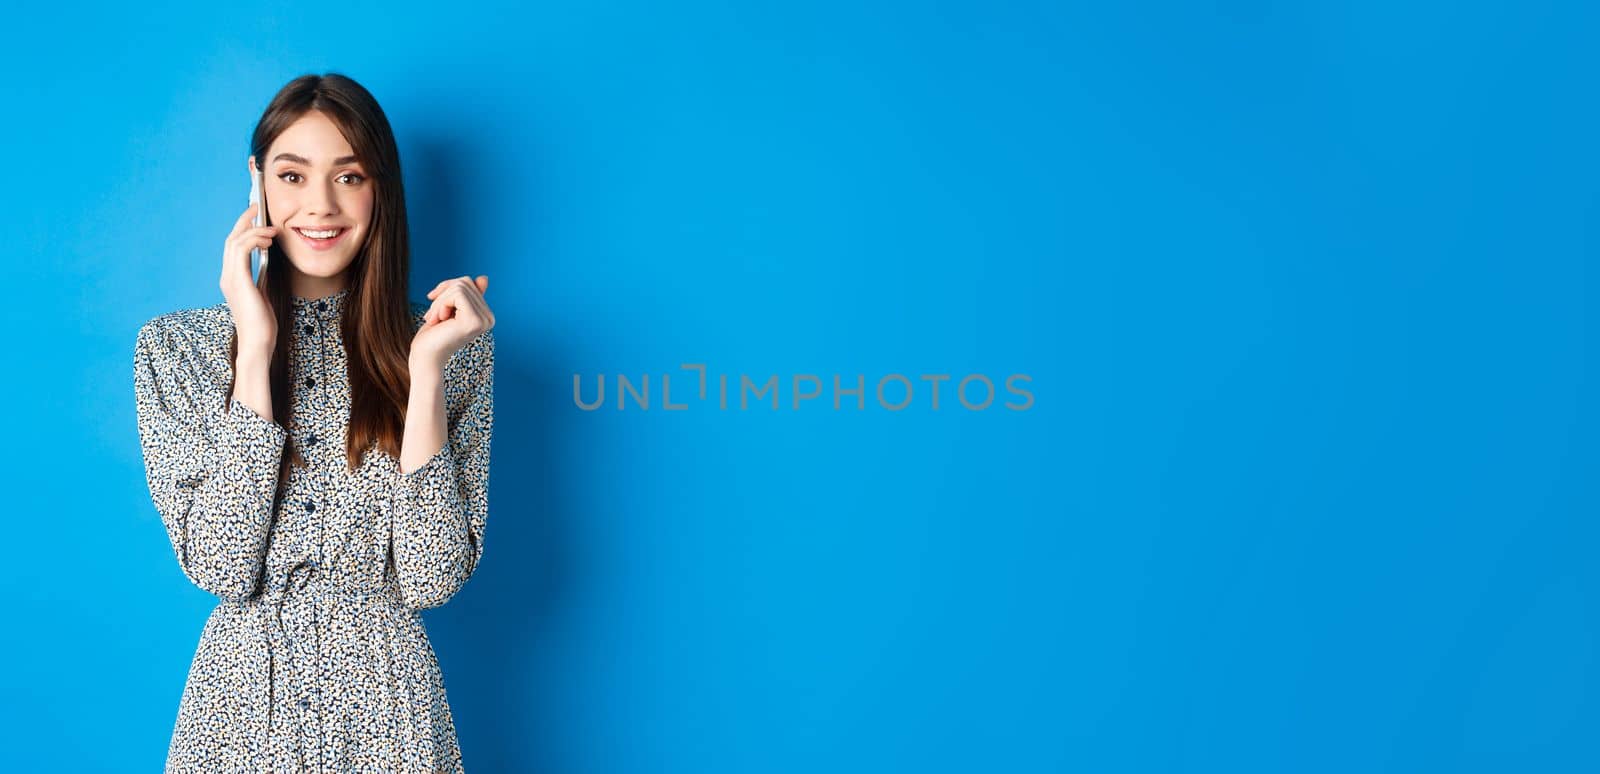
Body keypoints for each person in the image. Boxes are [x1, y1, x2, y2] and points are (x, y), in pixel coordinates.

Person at [132, 72, 496, 772]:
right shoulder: (176, 350)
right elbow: (223, 563)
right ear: (257, 180)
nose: (320, 206)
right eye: (293, 175)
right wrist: (257, 343)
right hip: (239, 715)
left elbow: (428, 579)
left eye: (349, 176)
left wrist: (423, 375)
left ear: (380, 188)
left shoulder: (452, 350)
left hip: (393, 718)